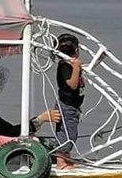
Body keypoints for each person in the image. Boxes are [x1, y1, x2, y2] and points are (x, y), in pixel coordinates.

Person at [33, 33, 85, 168]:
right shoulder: (65, 66)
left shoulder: (70, 65)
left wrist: (79, 67)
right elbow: (72, 84)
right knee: (68, 134)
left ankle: (66, 158)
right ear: (77, 51)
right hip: (67, 106)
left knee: (70, 133)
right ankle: (61, 161)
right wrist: (76, 68)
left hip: (72, 106)